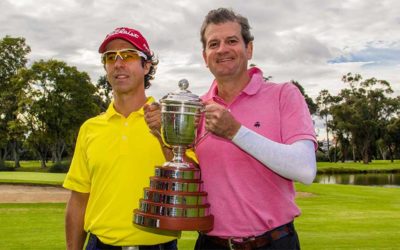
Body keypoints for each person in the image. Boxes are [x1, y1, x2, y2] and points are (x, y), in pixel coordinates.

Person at [192, 8, 317, 249]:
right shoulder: (197, 108)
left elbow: (304, 169)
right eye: (213, 44)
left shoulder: (284, 94)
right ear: (205, 56)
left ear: (248, 49)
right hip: (210, 243)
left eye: (231, 41)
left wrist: (236, 132)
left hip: (273, 241)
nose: (222, 49)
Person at [63, 27, 179, 250]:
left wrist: (164, 136)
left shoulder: (172, 122)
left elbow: (187, 181)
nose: (118, 64)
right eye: (110, 58)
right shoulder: (90, 128)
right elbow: (78, 201)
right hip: (100, 245)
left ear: (146, 66)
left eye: (128, 55)